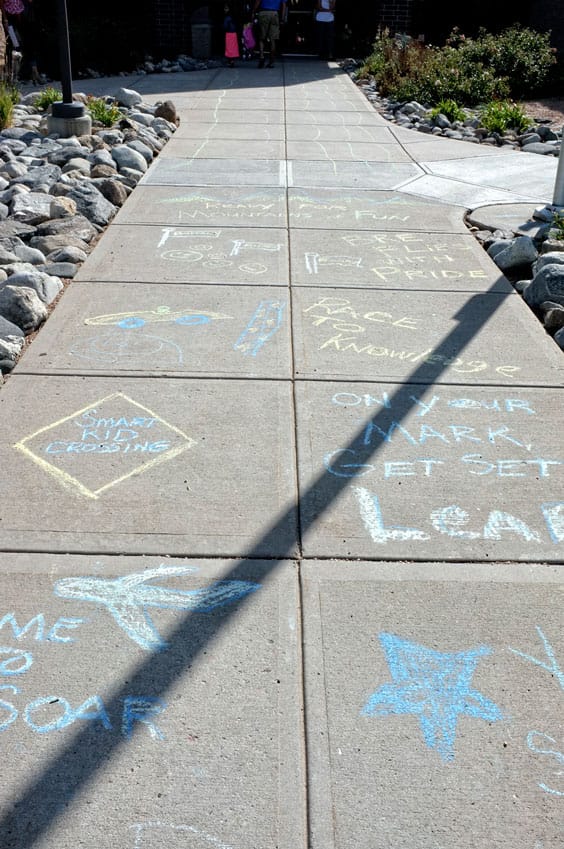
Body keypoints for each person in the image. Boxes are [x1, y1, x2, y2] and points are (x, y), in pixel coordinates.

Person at [252, 0, 286, 69]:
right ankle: (271, 61)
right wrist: (282, 18)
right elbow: (284, 5)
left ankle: (261, 57)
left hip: (263, 12)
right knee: (273, 39)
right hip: (274, 13)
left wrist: (253, 11)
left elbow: (258, 1)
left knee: (261, 38)